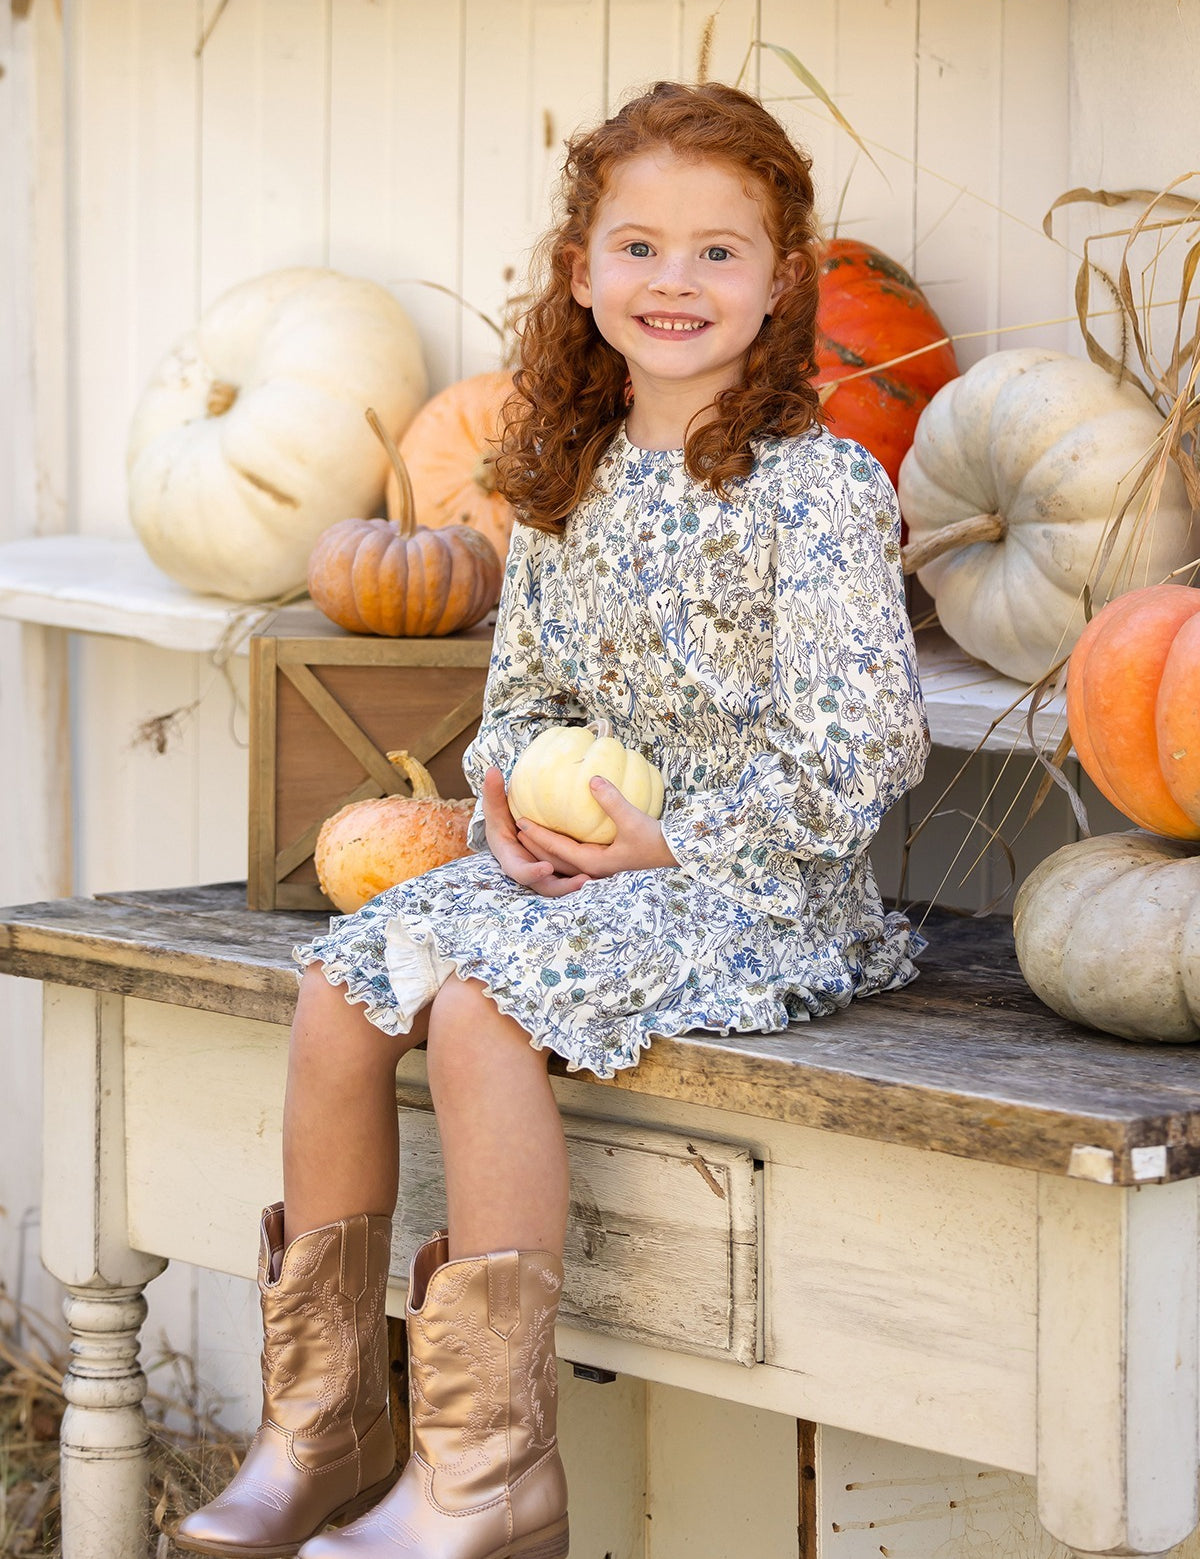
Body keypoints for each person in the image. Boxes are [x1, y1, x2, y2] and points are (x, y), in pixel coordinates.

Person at [175, 78, 929, 1559]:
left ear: (783, 283)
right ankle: (321, 1422)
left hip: (761, 891)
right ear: (579, 274)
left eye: (721, 251)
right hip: (581, 867)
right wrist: (510, 800)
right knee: (339, 985)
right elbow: (522, 698)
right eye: (639, 247)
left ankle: (493, 1470)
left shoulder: (818, 490)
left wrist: (675, 839)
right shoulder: (567, 486)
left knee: (474, 1011)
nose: (676, 281)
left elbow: (867, 749)